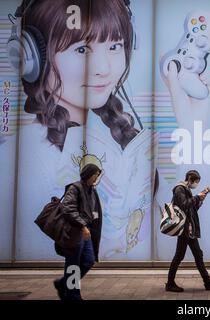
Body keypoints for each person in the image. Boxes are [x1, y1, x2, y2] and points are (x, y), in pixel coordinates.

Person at [9, 0, 158, 260]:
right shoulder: (24, 154)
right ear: (30, 57)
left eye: (114, 46)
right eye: (82, 50)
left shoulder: (117, 135)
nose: (103, 69)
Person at [54, 159, 103, 301]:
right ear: (88, 174)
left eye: (97, 175)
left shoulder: (91, 190)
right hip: (75, 232)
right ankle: (73, 296)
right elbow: (67, 209)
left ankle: (63, 284)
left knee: (88, 260)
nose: (96, 178)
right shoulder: (75, 188)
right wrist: (82, 225)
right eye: (95, 174)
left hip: (85, 231)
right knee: (73, 264)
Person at [166, 170, 210, 292]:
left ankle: (207, 281)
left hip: (189, 230)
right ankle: (170, 284)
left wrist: (201, 198)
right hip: (184, 230)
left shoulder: (186, 190)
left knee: (198, 254)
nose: (196, 184)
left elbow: (192, 208)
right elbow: (184, 205)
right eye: (196, 182)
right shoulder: (179, 189)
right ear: (190, 179)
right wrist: (197, 197)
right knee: (179, 256)